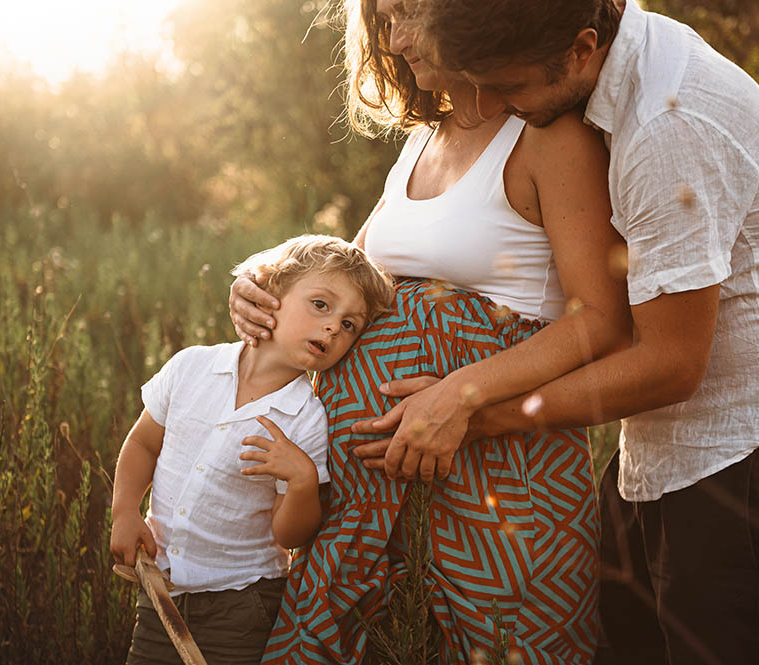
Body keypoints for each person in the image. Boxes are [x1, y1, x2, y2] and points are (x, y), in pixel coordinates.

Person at [409, 1, 759, 664]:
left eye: (509, 86)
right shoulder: (613, 58)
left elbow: (673, 364)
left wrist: (478, 411)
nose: (499, 106)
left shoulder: (667, 124)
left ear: (582, 48)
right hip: (662, 447)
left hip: (753, 456)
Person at [230, 1, 632, 662]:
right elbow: (352, 275)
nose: (395, 38)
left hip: (503, 485)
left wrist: (460, 395)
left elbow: (603, 322)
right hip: (372, 496)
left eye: (411, 12)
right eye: (383, 18)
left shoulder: (545, 137)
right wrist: (260, 285)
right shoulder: (421, 140)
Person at [110, 235, 394, 665]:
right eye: (321, 305)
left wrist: (300, 481)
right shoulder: (191, 367)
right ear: (271, 294)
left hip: (242, 605)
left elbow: (290, 536)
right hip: (160, 592)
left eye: (350, 324)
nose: (334, 326)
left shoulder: (305, 418)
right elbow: (144, 443)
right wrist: (125, 511)